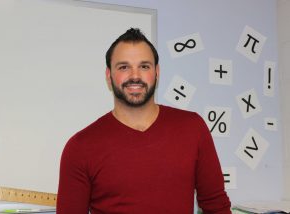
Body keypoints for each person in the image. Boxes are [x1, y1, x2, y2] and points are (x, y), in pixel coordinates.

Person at [57, 28, 231, 214]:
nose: (135, 76)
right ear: (109, 76)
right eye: (124, 67)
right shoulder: (80, 147)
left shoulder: (193, 128)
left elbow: (216, 206)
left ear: (157, 72)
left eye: (144, 66)